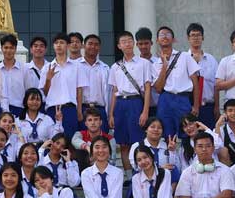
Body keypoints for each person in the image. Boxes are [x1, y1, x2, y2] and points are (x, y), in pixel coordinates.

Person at [109, 31, 153, 170]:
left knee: (137, 142)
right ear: (119, 46)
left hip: (136, 103)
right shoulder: (115, 67)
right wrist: (111, 114)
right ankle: (128, 176)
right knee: (123, 143)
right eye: (124, 42)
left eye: (129, 41)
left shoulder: (144, 63)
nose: (127, 44)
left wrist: (145, 111)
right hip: (120, 104)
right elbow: (114, 91)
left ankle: (139, 172)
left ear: (134, 43)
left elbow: (147, 88)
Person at [151, 26, 201, 140]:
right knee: (167, 134)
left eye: (168, 34)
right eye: (161, 35)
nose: (164, 37)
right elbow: (158, 88)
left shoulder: (185, 57)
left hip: (183, 99)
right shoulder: (155, 64)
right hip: (165, 100)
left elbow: (195, 82)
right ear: (157, 40)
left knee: (187, 132)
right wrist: (164, 66)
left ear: (174, 39)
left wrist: (196, 105)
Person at [43, 34, 87, 138]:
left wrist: (79, 111)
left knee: (70, 140)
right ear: (53, 46)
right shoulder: (47, 67)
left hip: (69, 109)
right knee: (53, 141)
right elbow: (45, 92)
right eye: (56, 43)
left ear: (67, 46)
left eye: (62, 43)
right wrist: (48, 79)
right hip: (52, 108)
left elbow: (79, 89)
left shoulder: (77, 66)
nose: (59, 45)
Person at [185, 23, 220, 127]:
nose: (196, 38)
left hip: (208, 107)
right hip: (189, 107)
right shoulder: (183, 58)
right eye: (193, 35)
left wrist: (217, 107)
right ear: (188, 38)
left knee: (209, 134)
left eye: (198, 35)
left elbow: (216, 85)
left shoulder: (211, 60)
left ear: (203, 37)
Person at [0, 35, 34, 117]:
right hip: (0, 110)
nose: (8, 51)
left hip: (19, 109)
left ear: (15, 49)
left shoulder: (24, 69)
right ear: (1, 48)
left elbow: (29, 90)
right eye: (6, 48)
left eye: (11, 48)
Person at [80, 34, 110, 133]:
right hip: (82, 109)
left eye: (96, 44)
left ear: (99, 47)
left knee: (102, 139)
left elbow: (109, 93)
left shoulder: (105, 68)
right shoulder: (76, 66)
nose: (93, 46)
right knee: (81, 139)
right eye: (90, 44)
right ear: (84, 46)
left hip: (100, 110)